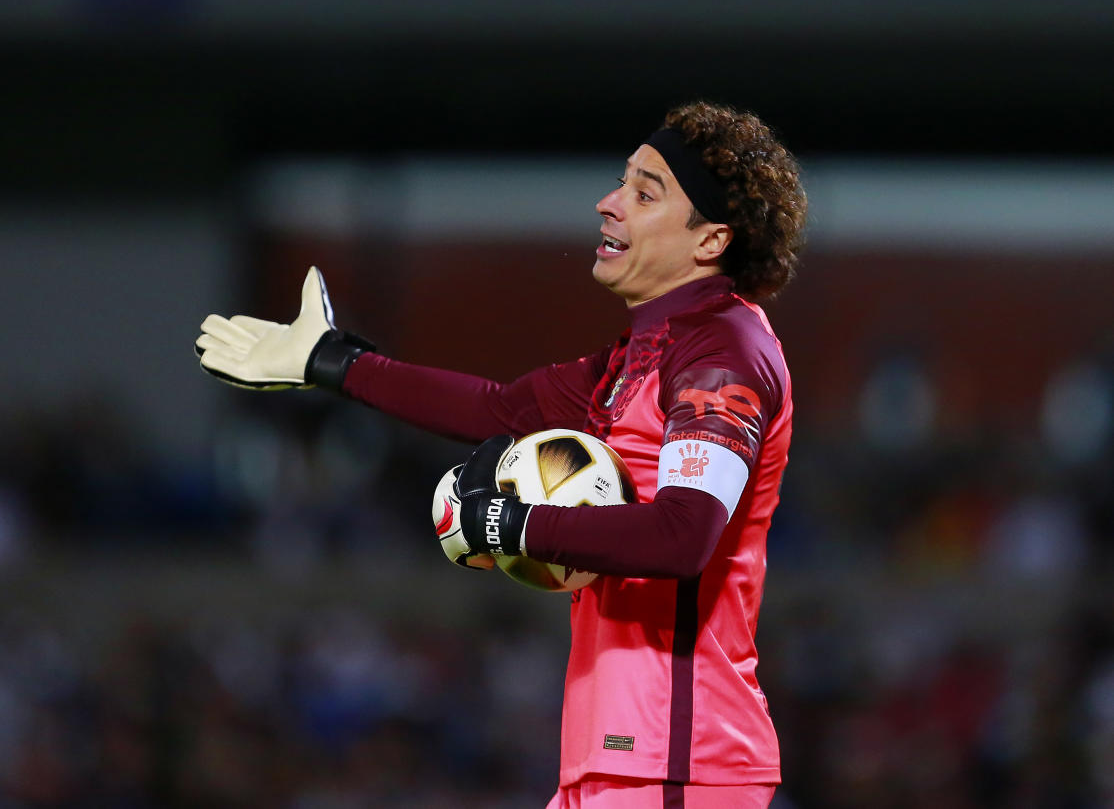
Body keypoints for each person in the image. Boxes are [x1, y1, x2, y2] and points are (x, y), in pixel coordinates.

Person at [195, 100, 807, 809]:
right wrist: (331, 362)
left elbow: (682, 535)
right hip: (626, 763)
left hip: (678, 761)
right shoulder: (640, 357)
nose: (608, 205)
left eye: (645, 194)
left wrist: (511, 527)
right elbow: (497, 409)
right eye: (621, 183)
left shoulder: (723, 352)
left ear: (710, 241)